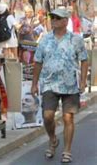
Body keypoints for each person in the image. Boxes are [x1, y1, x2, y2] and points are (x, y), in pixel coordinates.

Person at [31, 8, 88, 163]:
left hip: (70, 85)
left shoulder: (76, 40)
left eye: (57, 18)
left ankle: (67, 150)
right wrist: (34, 84)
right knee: (47, 116)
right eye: (52, 17)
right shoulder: (45, 40)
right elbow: (37, 62)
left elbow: (84, 60)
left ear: (65, 21)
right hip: (49, 83)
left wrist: (83, 81)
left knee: (68, 117)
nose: (53, 20)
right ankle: (53, 139)